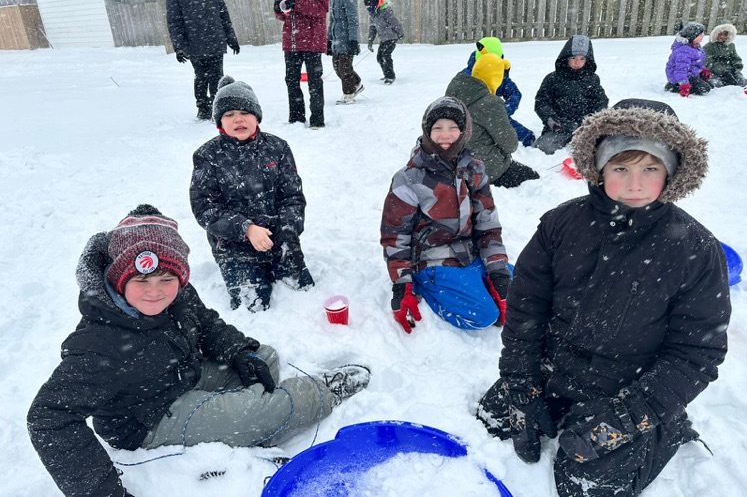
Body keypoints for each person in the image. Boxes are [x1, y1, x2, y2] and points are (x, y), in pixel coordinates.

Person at [477, 99, 730, 496]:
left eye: (651, 169)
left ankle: (668, 428)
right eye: (621, 168)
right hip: (554, 365)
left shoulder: (694, 248)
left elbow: (696, 353)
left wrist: (629, 417)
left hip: (628, 386)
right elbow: (527, 309)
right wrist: (520, 382)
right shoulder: (561, 224)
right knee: (491, 422)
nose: (635, 184)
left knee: (583, 484)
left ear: (673, 172)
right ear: (599, 168)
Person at [27, 204, 371, 497]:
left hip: (181, 373)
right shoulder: (99, 345)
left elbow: (205, 323)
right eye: (141, 282)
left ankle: (245, 423)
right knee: (256, 413)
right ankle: (318, 393)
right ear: (120, 282)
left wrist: (239, 352)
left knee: (264, 358)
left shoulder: (178, 293)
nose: (155, 293)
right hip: (147, 417)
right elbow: (47, 417)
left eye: (166, 280)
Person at [380, 96, 512, 333]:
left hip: (470, 253)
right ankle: (428, 287)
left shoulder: (474, 169)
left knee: (525, 289)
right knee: (484, 316)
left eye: (453, 128)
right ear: (427, 131)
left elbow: (488, 225)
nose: (445, 135)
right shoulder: (409, 178)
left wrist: (498, 273)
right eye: (437, 128)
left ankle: (477, 280)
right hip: (432, 260)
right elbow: (394, 236)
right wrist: (403, 285)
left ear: (464, 132)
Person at [190, 76, 314, 311]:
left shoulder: (278, 148)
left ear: (256, 116)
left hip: (278, 238)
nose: (238, 119)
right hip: (232, 245)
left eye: (245, 112)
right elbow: (204, 208)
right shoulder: (207, 156)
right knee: (253, 308)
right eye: (229, 114)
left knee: (303, 295)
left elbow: (293, 197)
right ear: (219, 122)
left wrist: (286, 231)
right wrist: (245, 229)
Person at [446, 53, 540, 188]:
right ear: (495, 78)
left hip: (455, 162)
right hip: (483, 167)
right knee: (533, 177)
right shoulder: (490, 103)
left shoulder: (455, 89)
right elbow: (510, 144)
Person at [166, 0, 240, 121]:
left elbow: (224, 16)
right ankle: (203, 108)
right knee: (201, 77)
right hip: (194, 44)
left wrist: (231, 38)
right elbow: (174, 22)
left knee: (217, 77)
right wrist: (179, 47)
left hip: (215, 41)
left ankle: (217, 108)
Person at [273, 0, 329, 128]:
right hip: (291, 40)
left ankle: (317, 119)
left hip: (312, 40)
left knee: (314, 81)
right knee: (291, 80)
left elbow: (322, 8)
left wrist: (297, 3)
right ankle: (296, 118)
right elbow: (282, 15)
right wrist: (279, 8)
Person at [533, 35, 608, 154]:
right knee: (542, 148)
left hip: (585, 126)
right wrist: (551, 119)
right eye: (573, 58)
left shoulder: (592, 79)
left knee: (603, 149)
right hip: (560, 127)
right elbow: (542, 102)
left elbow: (601, 101)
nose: (577, 62)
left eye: (582, 58)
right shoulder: (553, 78)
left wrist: (592, 120)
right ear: (566, 58)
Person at [462, 37, 536, 146]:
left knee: (524, 136)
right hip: (472, 119)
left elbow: (514, 93)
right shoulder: (466, 76)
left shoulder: (499, 73)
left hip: (494, 115)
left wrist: (505, 109)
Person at [326, 0, 364, 105]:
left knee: (345, 69)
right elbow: (332, 21)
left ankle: (349, 95)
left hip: (346, 41)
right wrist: (329, 41)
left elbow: (353, 21)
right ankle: (357, 83)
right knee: (337, 68)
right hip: (336, 42)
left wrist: (353, 40)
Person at [364, 0, 404, 84]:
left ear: (373, 3)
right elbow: (372, 28)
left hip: (391, 37)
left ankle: (390, 76)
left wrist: (400, 33)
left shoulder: (385, 11)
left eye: (368, 5)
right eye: (366, 6)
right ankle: (386, 74)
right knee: (379, 57)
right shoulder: (373, 14)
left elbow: (395, 23)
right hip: (384, 38)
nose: (367, 8)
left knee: (385, 55)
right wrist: (370, 41)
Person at [664, 21, 712, 97]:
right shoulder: (684, 51)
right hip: (680, 76)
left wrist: (702, 70)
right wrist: (684, 85)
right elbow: (680, 70)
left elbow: (696, 63)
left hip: (690, 74)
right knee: (705, 89)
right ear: (692, 36)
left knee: (711, 84)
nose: (703, 36)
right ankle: (674, 86)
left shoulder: (696, 47)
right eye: (700, 34)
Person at [704, 22, 747, 87]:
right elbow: (709, 62)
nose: (722, 36)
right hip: (715, 71)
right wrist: (723, 72)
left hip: (730, 69)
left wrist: (737, 64)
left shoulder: (731, 46)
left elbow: (735, 57)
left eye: (725, 34)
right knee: (719, 84)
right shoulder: (709, 47)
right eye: (720, 34)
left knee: (741, 81)